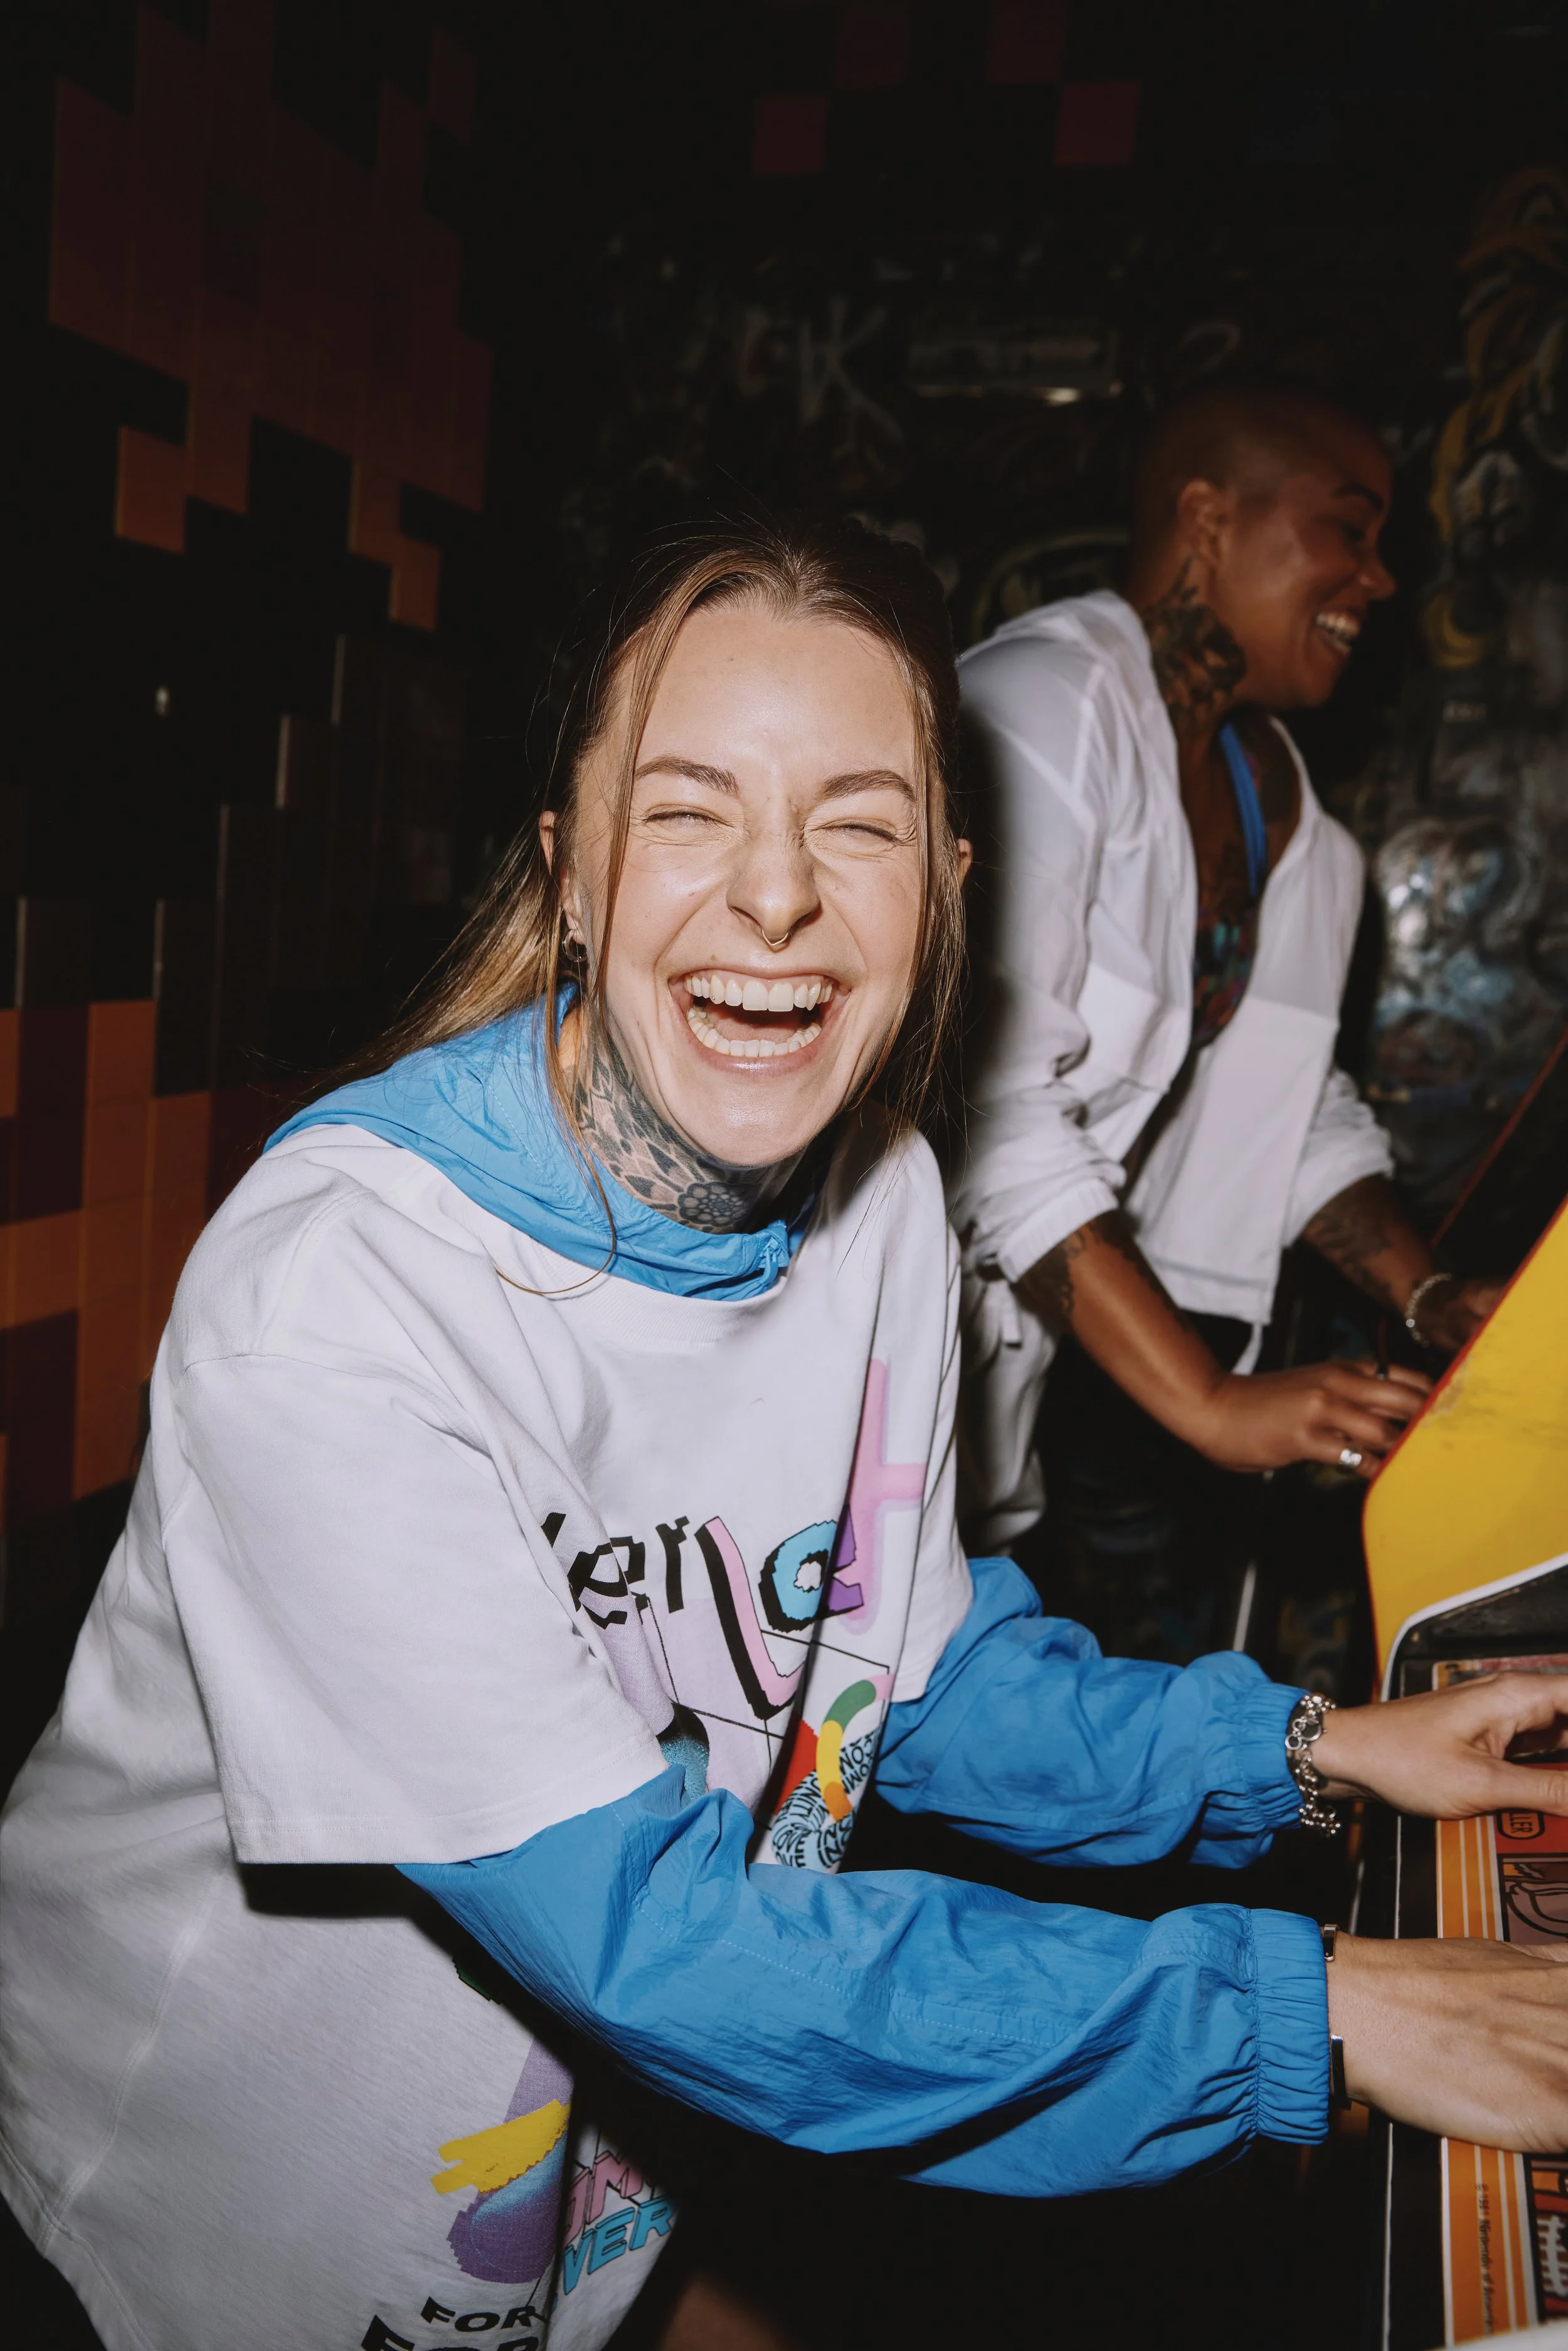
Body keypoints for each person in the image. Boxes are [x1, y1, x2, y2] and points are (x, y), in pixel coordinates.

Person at [3, 517, 1567, 2351]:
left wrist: (1311, 1748)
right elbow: (652, 1938)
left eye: (858, 820)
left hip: (592, 2195)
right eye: (688, 810)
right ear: (567, 869)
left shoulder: (883, 1197)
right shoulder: (343, 1290)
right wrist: (1312, 2014)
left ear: (949, 889)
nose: (774, 898)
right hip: (186, 2246)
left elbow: (885, 1672)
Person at [950, 384, 1504, 1558]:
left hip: (983, 1451)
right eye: (1349, 529)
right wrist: (1208, 1398)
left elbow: (1285, 1108)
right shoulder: (1040, 711)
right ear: (1206, 520)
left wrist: (1431, 1298)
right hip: (834, 1393)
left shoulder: (1283, 810)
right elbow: (991, 1108)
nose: (1380, 578)